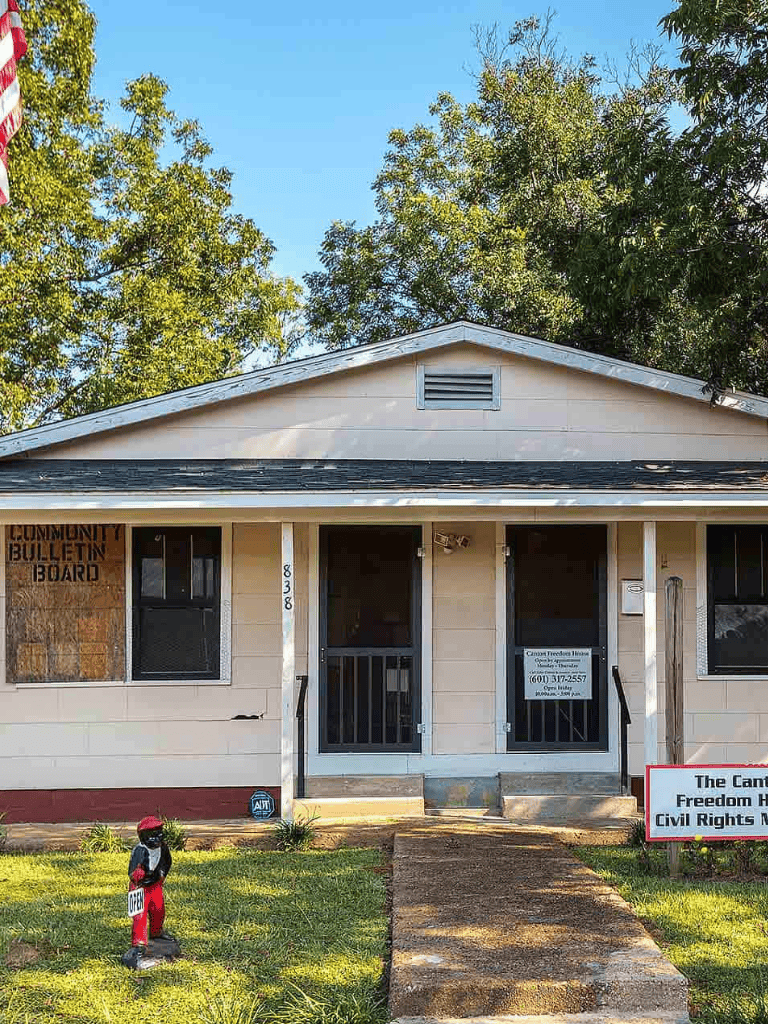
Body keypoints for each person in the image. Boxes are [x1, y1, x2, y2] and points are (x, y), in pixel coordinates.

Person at [127, 815, 172, 956]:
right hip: (140, 887)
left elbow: (167, 862)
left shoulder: (163, 848)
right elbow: (132, 871)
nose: (157, 838)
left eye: (159, 833)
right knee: (139, 914)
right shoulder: (139, 850)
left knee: (158, 909)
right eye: (152, 835)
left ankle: (156, 933)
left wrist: (162, 875)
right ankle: (138, 942)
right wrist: (138, 874)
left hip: (155, 884)